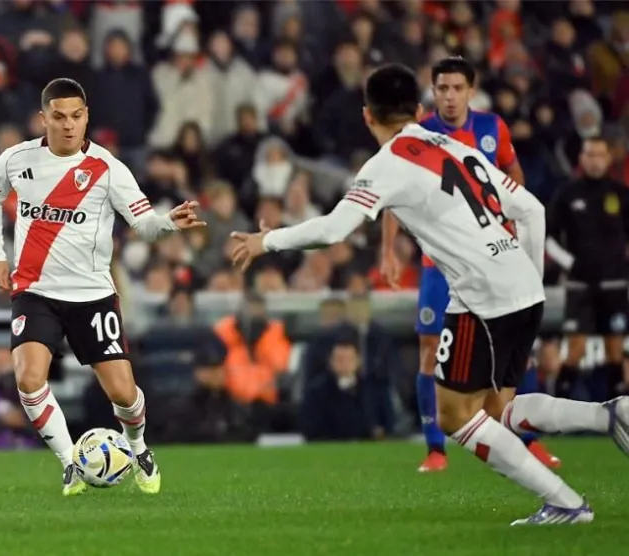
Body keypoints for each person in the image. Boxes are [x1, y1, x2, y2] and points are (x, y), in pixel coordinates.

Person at [230, 63, 629, 526]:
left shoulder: (386, 164)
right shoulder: (457, 147)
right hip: (521, 285)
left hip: (482, 296)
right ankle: (611, 414)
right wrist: (528, 279)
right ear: (420, 110)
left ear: (367, 115)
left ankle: (565, 502)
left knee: (455, 416)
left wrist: (267, 240)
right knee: (498, 410)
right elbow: (531, 209)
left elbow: (334, 230)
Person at [0, 77, 204, 497]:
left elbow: (144, 224)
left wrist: (169, 223)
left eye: (76, 116)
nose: (68, 125)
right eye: (59, 117)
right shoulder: (16, 159)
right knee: (28, 379)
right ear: (43, 118)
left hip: (92, 296)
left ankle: (139, 449)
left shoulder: (108, 169)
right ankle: (69, 463)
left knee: (123, 392)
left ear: (87, 118)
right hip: (35, 291)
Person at [379, 56, 558, 473]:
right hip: (438, 263)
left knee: (518, 350)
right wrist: (387, 251)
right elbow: (393, 194)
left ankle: (528, 441)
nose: (450, 96)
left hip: (490, 260)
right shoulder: (419, 134)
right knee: (429, 350)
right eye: (442, 88)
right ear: (433, 91)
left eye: (457, 88)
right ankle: (435, 449)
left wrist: (508, 221)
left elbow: (513, 174)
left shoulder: (493, 128)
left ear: (471, 91)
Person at [546, 137, 629, 399]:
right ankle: (557, 409)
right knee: (576, 349)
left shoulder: (621, 194)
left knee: (615, 351)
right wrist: (571, 264)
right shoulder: (567, 193)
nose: (595, 161)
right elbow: (548, 238)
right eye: (590, 155)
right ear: (581, 158)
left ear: (608, 158)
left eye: (600, 155)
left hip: (614, 284)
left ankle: (618, 414)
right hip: (579, 285)